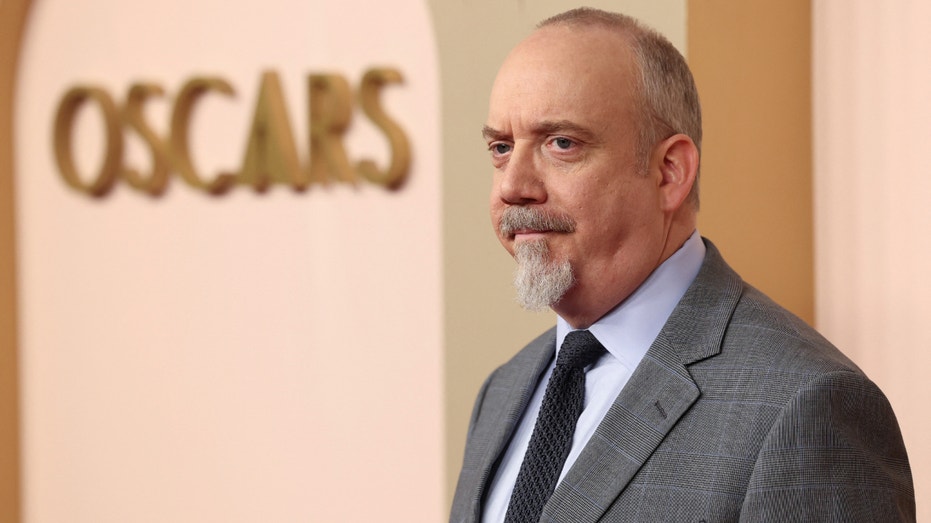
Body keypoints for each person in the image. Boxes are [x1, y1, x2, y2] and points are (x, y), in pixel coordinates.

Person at [449, 7, 914, 523]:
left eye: (562, 143)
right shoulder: (504, 390)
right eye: (501, 147)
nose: (513, 186)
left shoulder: (806, 407)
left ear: (670, 172)